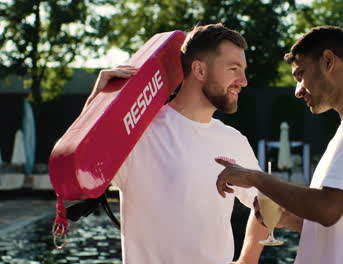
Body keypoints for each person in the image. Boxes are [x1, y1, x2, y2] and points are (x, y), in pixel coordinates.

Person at [215, 25, 343, 264]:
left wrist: (256, 178)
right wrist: (286, 218)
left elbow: (327, 210)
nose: (298, 91)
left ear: (328, 61)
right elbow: (335, 224)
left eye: (300, 75)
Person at [85, 24, 268, 263]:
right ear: (199, 70)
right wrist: (94, 109)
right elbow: (82, 174)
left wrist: (247, 259)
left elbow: (264, 201)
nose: (243, 81)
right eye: (233, 69)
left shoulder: (233, 140)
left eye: (243, 70)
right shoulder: (140, 131)